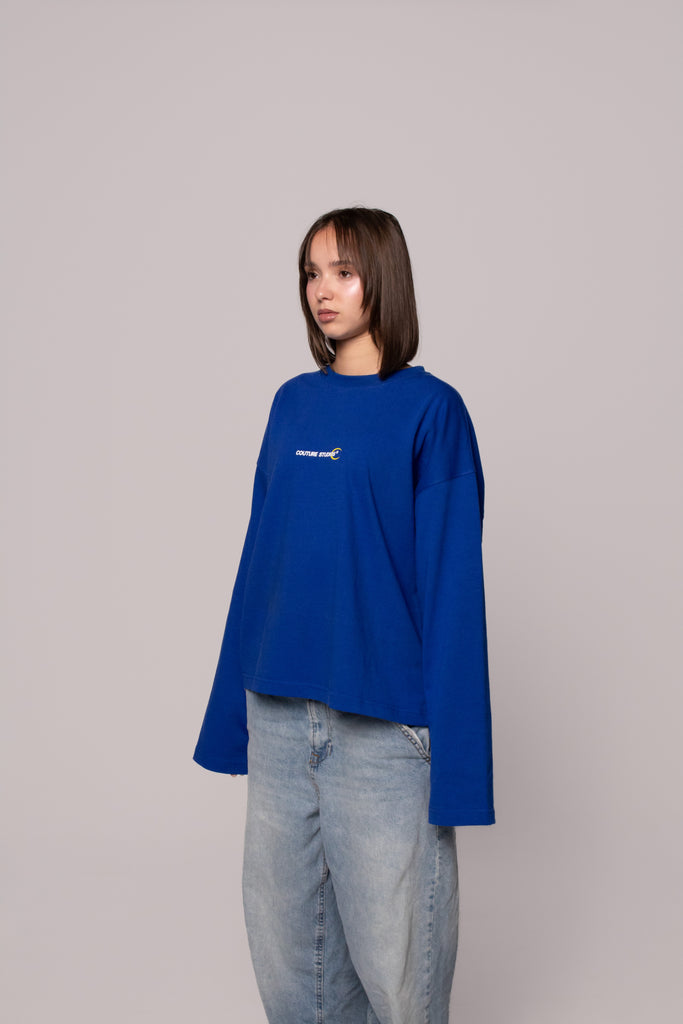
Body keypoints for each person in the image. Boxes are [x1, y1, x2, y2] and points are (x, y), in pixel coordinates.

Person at [193, 207, 495, 1024]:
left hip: (383, 735)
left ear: (381, 279)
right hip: (278, 719)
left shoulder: (431, 411)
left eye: (343, 272)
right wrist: (229, 719)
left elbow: (452, 591)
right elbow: (260, 562)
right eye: (310, 273)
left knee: (400, 983)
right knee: (292, 974)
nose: (321, 291)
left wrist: (459, 771)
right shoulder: (292, 404)